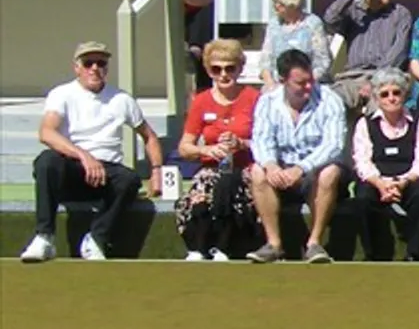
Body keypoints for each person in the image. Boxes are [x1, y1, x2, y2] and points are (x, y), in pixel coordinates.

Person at [23, 41, 164, 263]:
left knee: (129, 179)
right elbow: (46, 132)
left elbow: (149, 136)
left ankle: (96, 239)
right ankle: (44, 237)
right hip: (73, 168)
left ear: (107, 68)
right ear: (76, 67)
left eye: (101, 63)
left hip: (106, 173)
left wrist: (157, 171)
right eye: (88, 63)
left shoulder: (122, 99)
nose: (94, 68)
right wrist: (84, 156)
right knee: (46, 161)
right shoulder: (62, 94)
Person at [247, 48, 349, 264]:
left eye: (310, 80)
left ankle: (314, 243)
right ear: (283, 80)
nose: (308, 87)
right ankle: (273, 244)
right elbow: (261, 140)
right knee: (257, 171)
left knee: (330, 172)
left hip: (315, 169)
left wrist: (301, 168)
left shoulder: (330, 100)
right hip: (282, 168)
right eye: (300, 83)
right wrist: (271, 165)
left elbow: (333, 145)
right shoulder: (267, 102)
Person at [175, 39, 258, 261]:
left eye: (230, 68)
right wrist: (208, 150)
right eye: (216, 69)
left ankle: (223, 246)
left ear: (240, 67)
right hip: (212, 167)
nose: (223, 74)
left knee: (227, 185)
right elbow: (185, 147)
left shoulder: (254, 99)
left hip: (246, 168)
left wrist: (241, 143)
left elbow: (267, 143)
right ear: (208, 70)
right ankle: (198, 247)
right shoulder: (201, 101)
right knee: (200, 192)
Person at [349, 66, 419, 262]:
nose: (391, 98)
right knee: (362, 199)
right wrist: (381, 185)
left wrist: (402, 183)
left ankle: (414, 253)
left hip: (409, 179)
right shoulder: (365, 124)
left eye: (396, 92)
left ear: (404, 94)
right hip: (377, 181)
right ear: (376, 98)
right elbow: (362, 161)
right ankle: (372, 253)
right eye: (385, 94)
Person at [323, 0, 412, 111]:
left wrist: (374, 82)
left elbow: (397, 54)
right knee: (331, 102)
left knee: (381, 105)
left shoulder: (400, 14)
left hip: (387, 78)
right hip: (352, 78)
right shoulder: (353, 12)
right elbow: (330, 19)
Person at [263, 0, 330, 85]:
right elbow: (265, 61)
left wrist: (301, 82)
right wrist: (270, 84)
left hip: (308, 84)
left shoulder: (313, 23)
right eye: (274, 1)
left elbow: (323, 62)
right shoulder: (273, 25)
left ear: (293, 4)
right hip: (277, 84)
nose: (276, 6)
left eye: (281, 3)